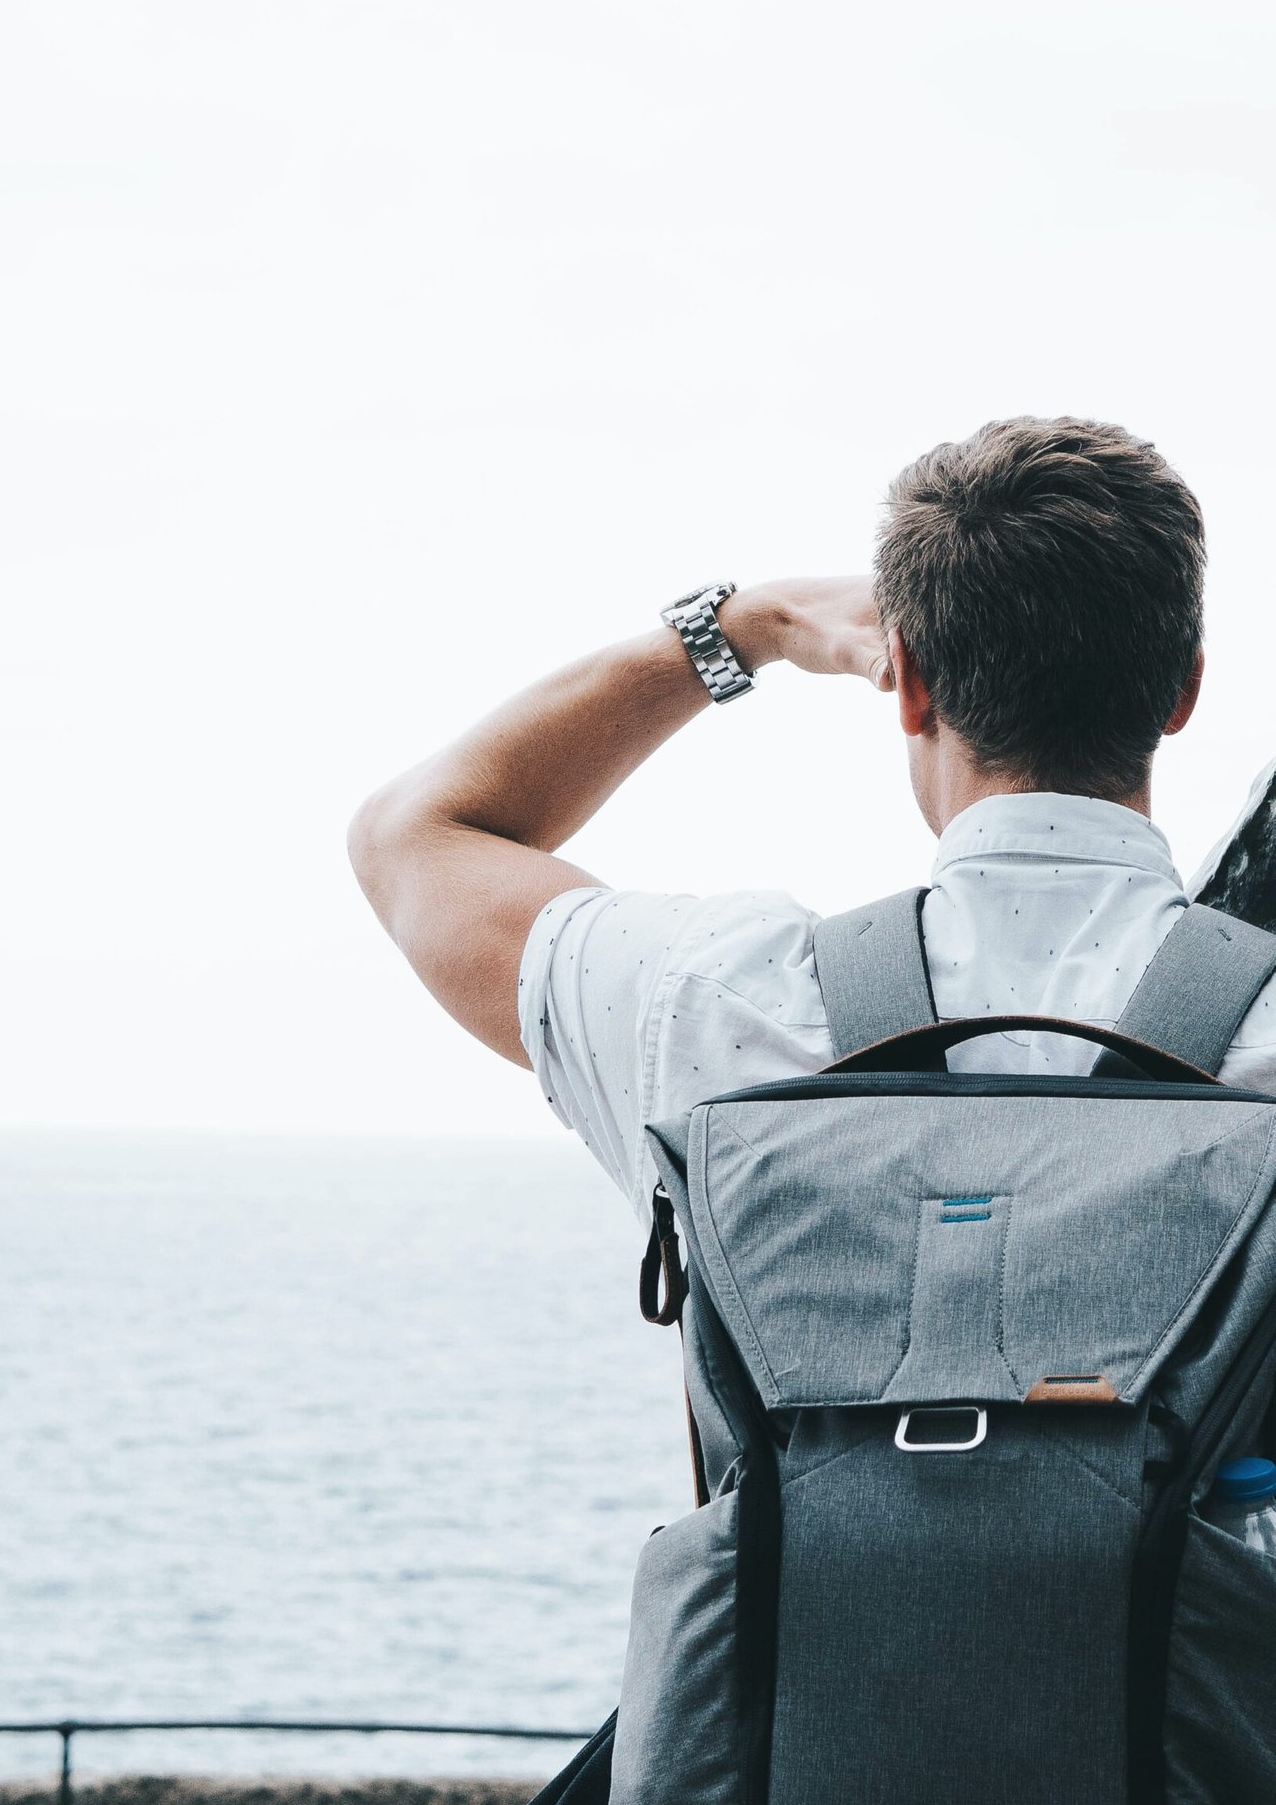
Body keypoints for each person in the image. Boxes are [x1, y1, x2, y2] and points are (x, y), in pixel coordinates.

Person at [348, 414, 1276, 1224]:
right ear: (1183, 687)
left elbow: (409, 835)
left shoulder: (719, 996)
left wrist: (748, 627)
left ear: (907, 682)